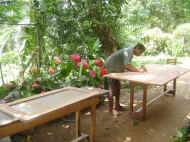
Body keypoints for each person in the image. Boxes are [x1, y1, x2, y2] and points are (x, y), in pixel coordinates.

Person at [105, 43, 146, 112]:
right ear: (137, 48)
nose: (140, 54)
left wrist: (136, 70)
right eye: (141, 52)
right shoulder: (129, 51)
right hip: (111, 68)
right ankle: (111, 109)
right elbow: (127, 65)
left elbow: (126, 65)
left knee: (117, 87)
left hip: (115, 69)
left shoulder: (130, 51)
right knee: (112, 89)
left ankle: (117, 106)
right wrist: (139, 71)